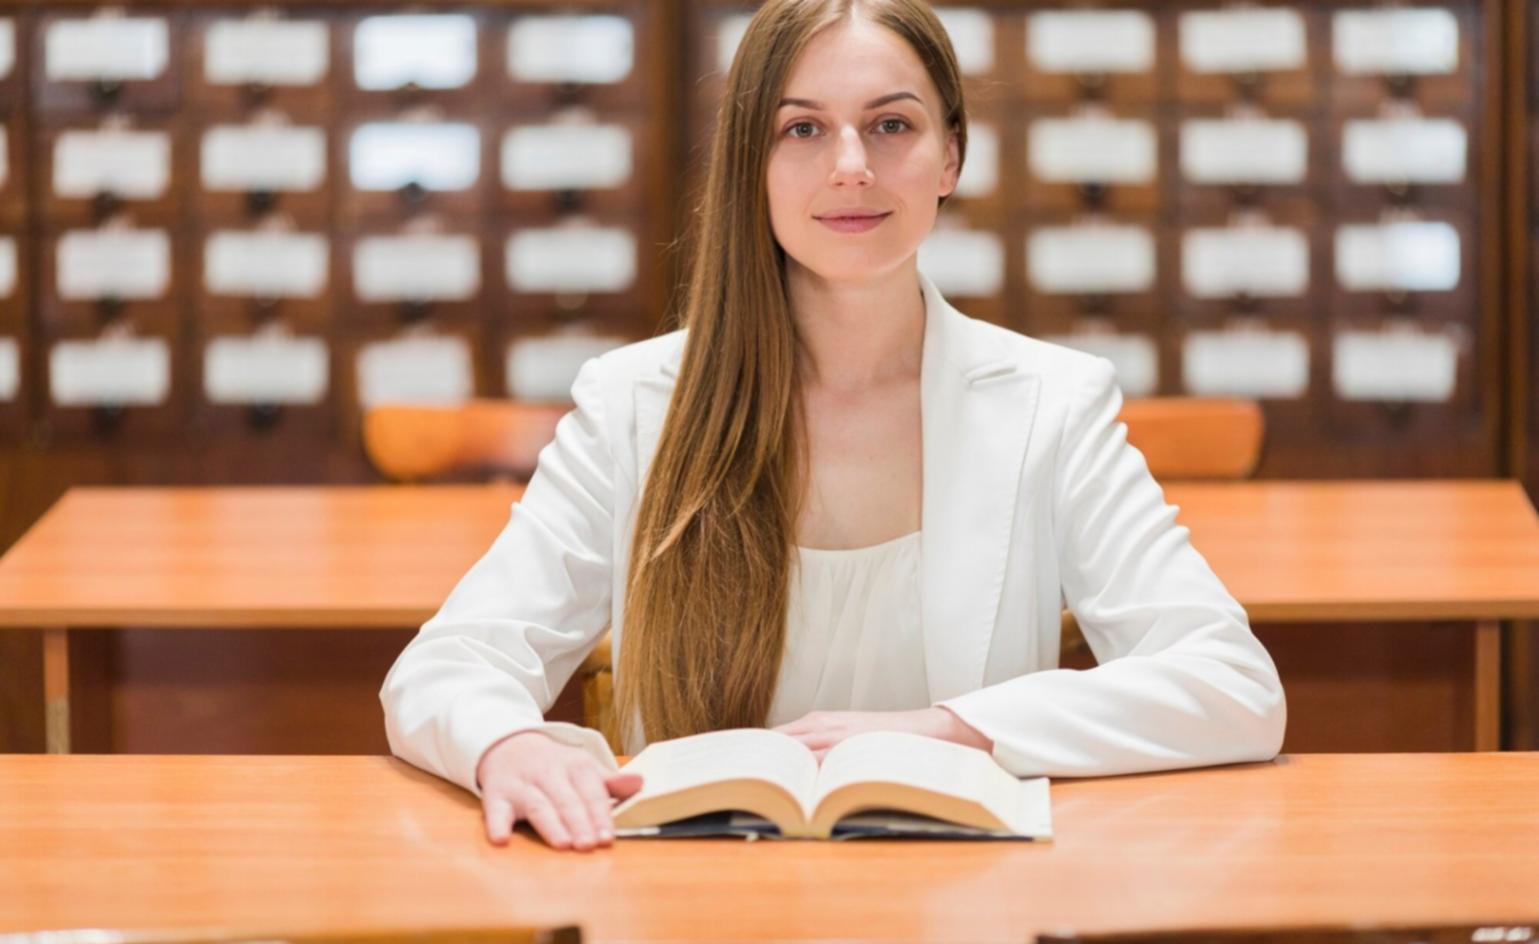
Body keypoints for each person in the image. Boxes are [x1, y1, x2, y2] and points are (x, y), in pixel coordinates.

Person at [381, 0, 1286, 853]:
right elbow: (449, 664)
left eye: (891, 125)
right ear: (752, 162)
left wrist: (951, 730)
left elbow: (1230, 682)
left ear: (950, 159)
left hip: (961, 899)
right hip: (690, 902)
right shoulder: (633, 406)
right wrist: (506, 744)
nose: (850, 164)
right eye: (801, 128)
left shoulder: (1053, 402)